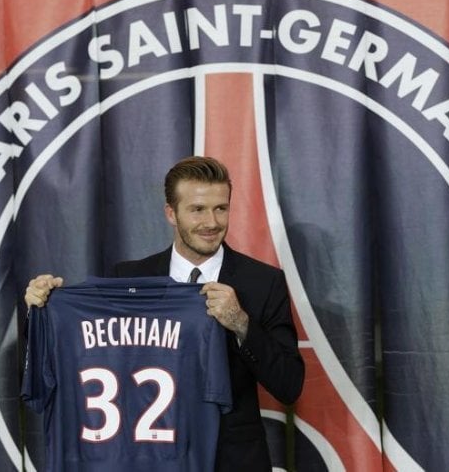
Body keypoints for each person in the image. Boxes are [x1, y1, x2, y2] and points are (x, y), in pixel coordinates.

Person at [24, 155, 305, 471]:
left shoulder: (263, 281)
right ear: (171, 213)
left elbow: (289, 385)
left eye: (221, 208)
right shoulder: (128, 278)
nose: (211, 222)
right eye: (197, 209)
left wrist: (240, 323)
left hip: (230, 461)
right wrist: (44, 308)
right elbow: (78, 352)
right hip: (145, 458)